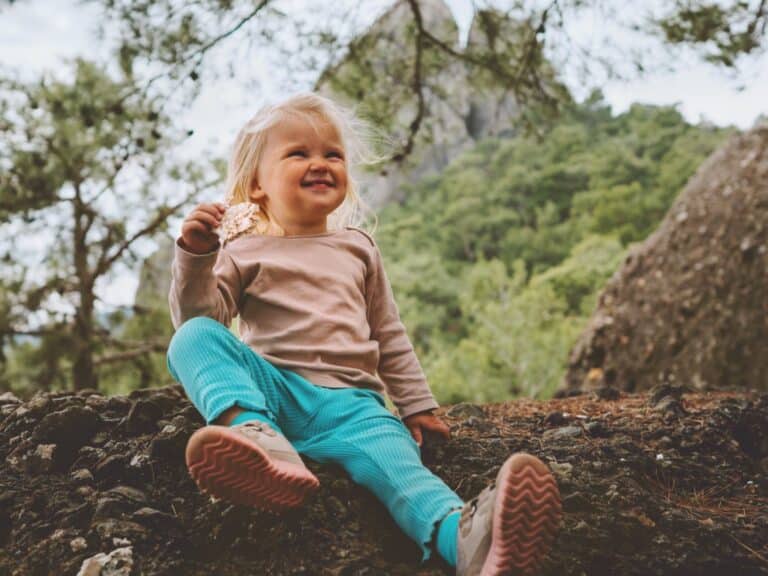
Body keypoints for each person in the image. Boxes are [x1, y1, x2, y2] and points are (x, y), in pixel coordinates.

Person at [166, 93, 562, 575]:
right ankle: (257, 440)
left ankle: (472, 544)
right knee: (193, 339)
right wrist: (195, 255)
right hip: (278, 394)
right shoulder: (242, 251)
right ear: (257, 185)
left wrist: (416, 404)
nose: (321, 164)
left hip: (356, 409)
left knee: (405, 477)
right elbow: (198, 316)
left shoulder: (357, 248)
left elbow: (387, 332)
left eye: (333, 154)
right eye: (299, 153)